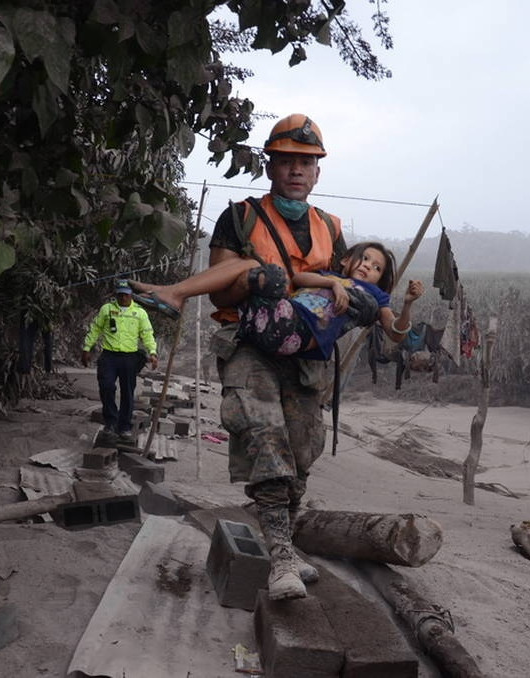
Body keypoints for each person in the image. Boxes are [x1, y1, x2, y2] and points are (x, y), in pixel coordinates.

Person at [212, 113, 367, 601]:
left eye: (306, 162)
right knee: (265, 439)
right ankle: (279, 556)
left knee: (302, 450)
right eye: (286, 161)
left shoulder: (330, 228)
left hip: (306, 355)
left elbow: (344, 289)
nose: (297, 170)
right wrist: (253, 280)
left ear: (318, 173)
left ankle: (287, 544)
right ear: (270, 165)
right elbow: (219, 287)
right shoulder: (239, 216)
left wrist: (361, 305)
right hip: (250, 345)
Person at [130, 241, 424, 360]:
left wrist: (408, 303)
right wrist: (333, 283)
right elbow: (299, 280)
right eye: (366, 259)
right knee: (252, 268)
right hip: (274, 318)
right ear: (347, 260)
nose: (368, 267)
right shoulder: (329, 277)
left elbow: (396, 334)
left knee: (259, 270)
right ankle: (174, 293)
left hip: (295, 333)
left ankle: (175, 293)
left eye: (377, 268)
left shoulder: (375, 296)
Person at [81, 279, 159, 446]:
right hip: (109, 356)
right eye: (120, 294)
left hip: (129, 358)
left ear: (131, 295)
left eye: (126, 294)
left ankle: (124, 427)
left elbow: (147, 334)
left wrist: (152, 352)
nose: (123, 297)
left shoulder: (139, 313)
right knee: (107, 387)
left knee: (128, 393)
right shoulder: (107, 309)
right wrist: (87, 348)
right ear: (116, 294)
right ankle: (110, 422)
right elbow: (95, 329)